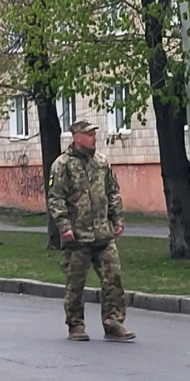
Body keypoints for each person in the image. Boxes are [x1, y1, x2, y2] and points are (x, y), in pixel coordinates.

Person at [47, 120, 135, 342]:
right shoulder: (62, 165)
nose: (93, 138)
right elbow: (56, 199)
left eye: (94, 134)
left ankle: (114, 324)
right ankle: (76, 325)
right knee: (75, 284)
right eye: (88, 134)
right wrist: (64, 227)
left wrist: (117, 219)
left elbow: (112, 192)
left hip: (103, 234)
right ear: (76, 137)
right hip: (77, 236)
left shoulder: (101, 162)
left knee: (113, 279)